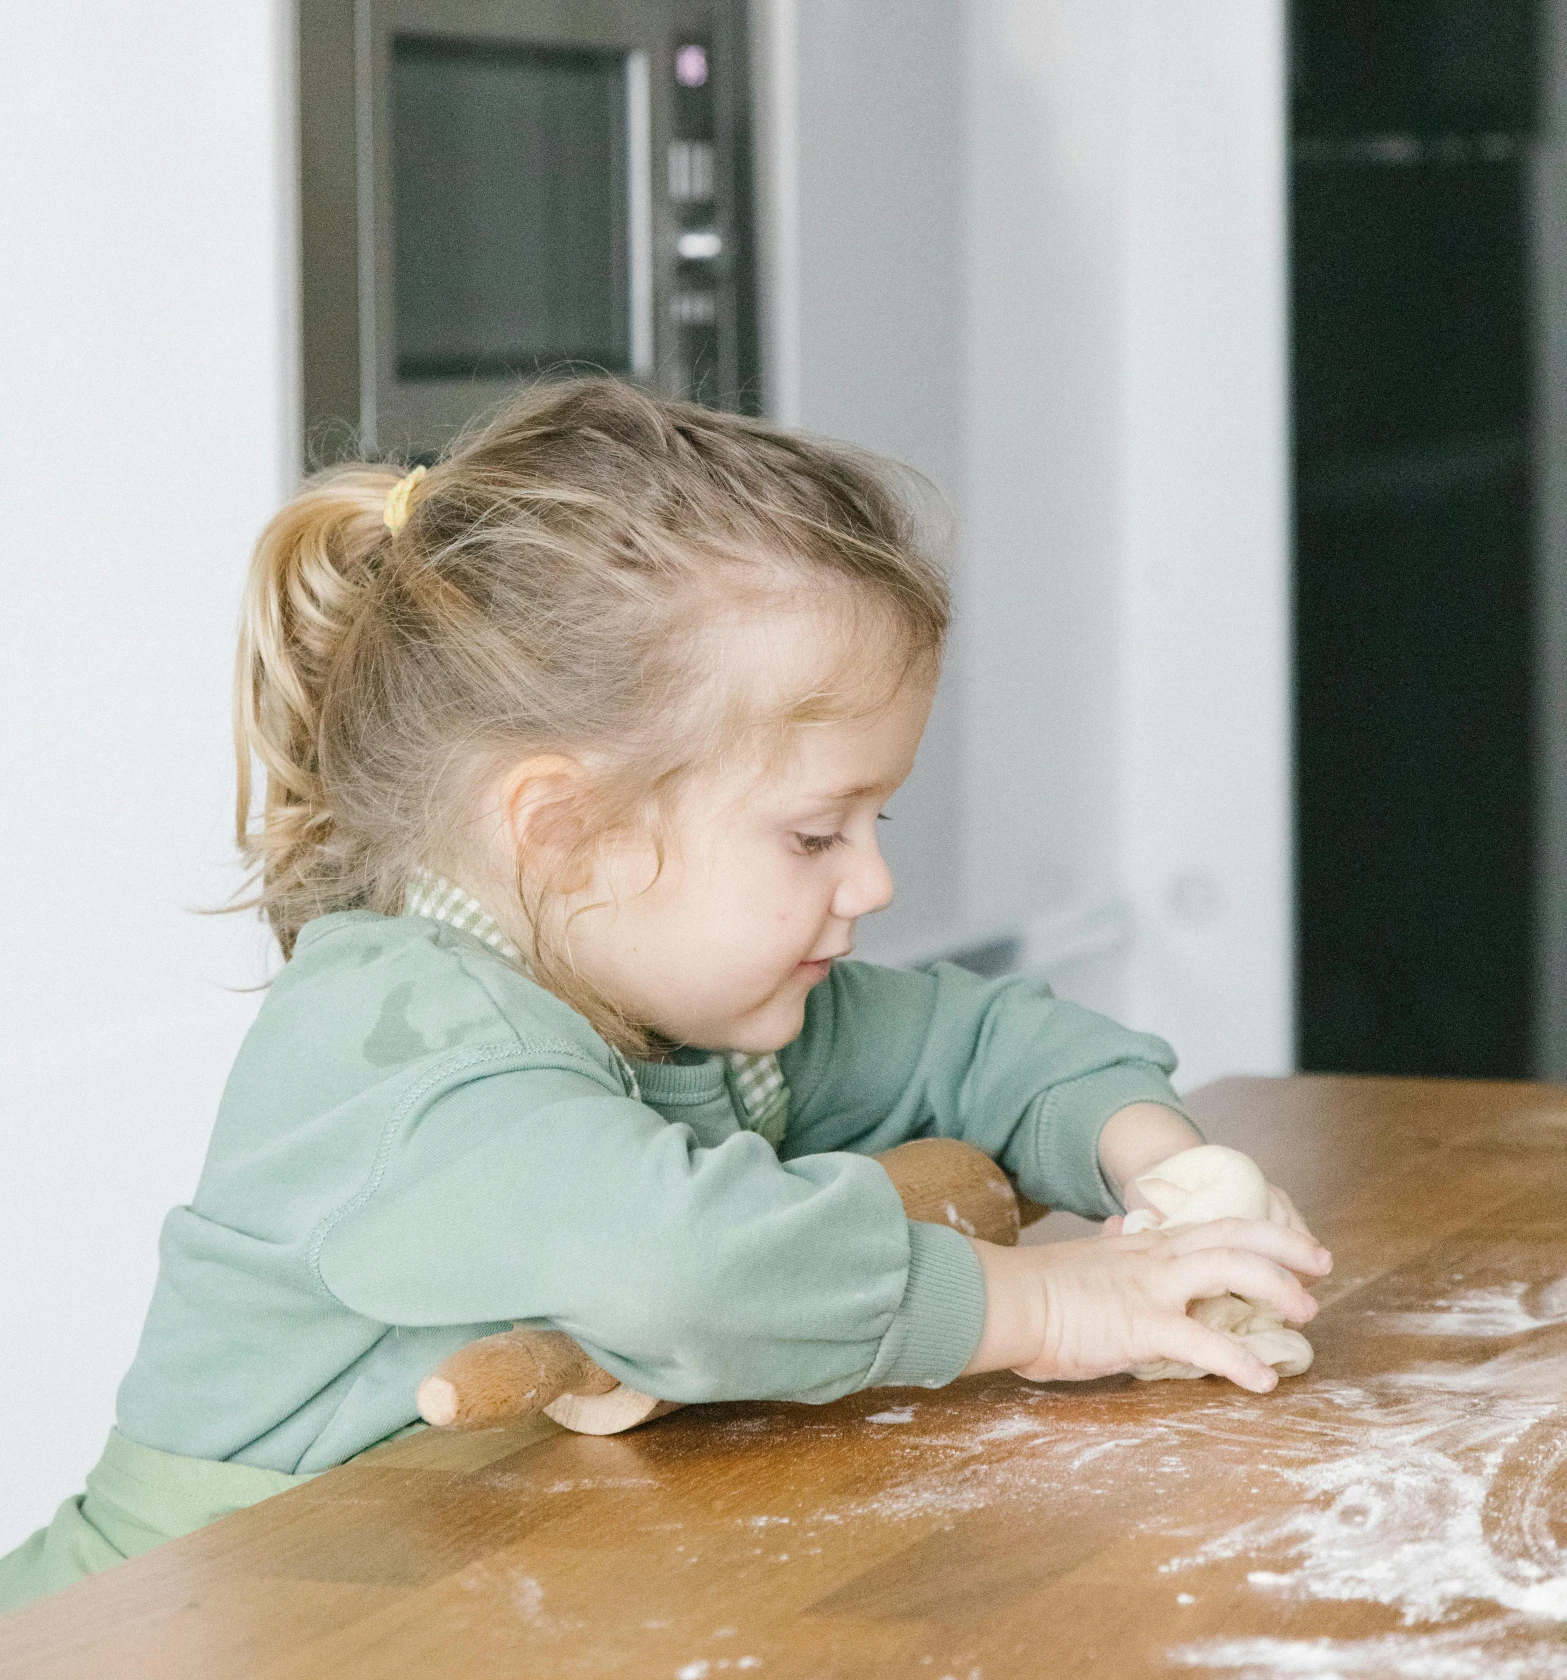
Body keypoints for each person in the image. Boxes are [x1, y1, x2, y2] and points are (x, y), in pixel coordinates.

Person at [0, 379, 1328, 1611]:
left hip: (402, 1618)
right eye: (815, 833)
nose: (872, 877)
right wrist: (1052, 1307)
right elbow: (687, 1270)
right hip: (153, 1661)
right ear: (563, 829)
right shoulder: (406, 1055)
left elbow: (985, 1040)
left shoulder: (678, 996)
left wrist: (1161, 1170)